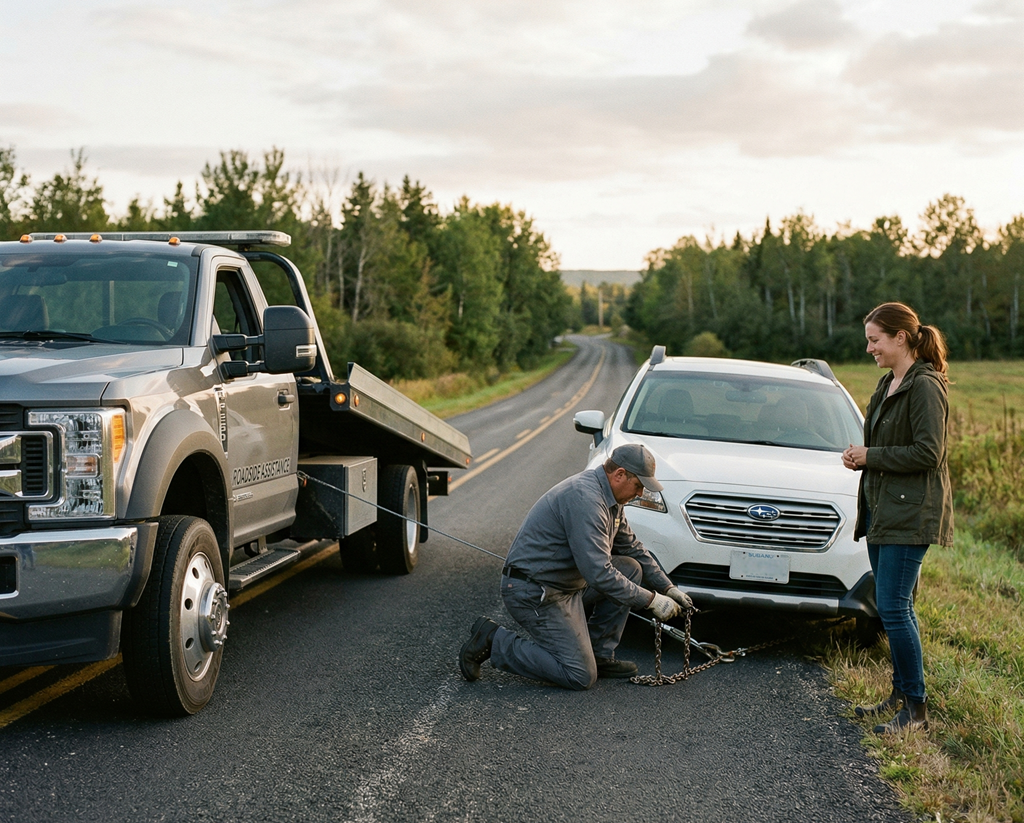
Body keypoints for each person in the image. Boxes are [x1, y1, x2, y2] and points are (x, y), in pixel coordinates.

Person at [458, 443, 693, 690]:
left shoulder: (611, 498)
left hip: (566, 585)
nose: (641, 493)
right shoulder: (586, 500)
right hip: (534, 592)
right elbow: (599, 573)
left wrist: (667, 588)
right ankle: (493, 640)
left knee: (630, 567)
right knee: (578, 675)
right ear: (620, 474)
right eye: (639, 485)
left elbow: (632, 547)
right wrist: (651, 600)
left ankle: (599, 655)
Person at [842, 302, 954, 733]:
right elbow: (888, 446)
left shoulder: (926, 386)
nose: (870, 347)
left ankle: (917, 713)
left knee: (893, 608)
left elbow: (930, 452)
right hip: (883, 511)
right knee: (896, 607)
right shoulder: (889, 382)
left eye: (875, 339)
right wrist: (861, 458)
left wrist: (872, 456)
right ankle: (900, 696)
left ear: (900, 337)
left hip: (911, 514)